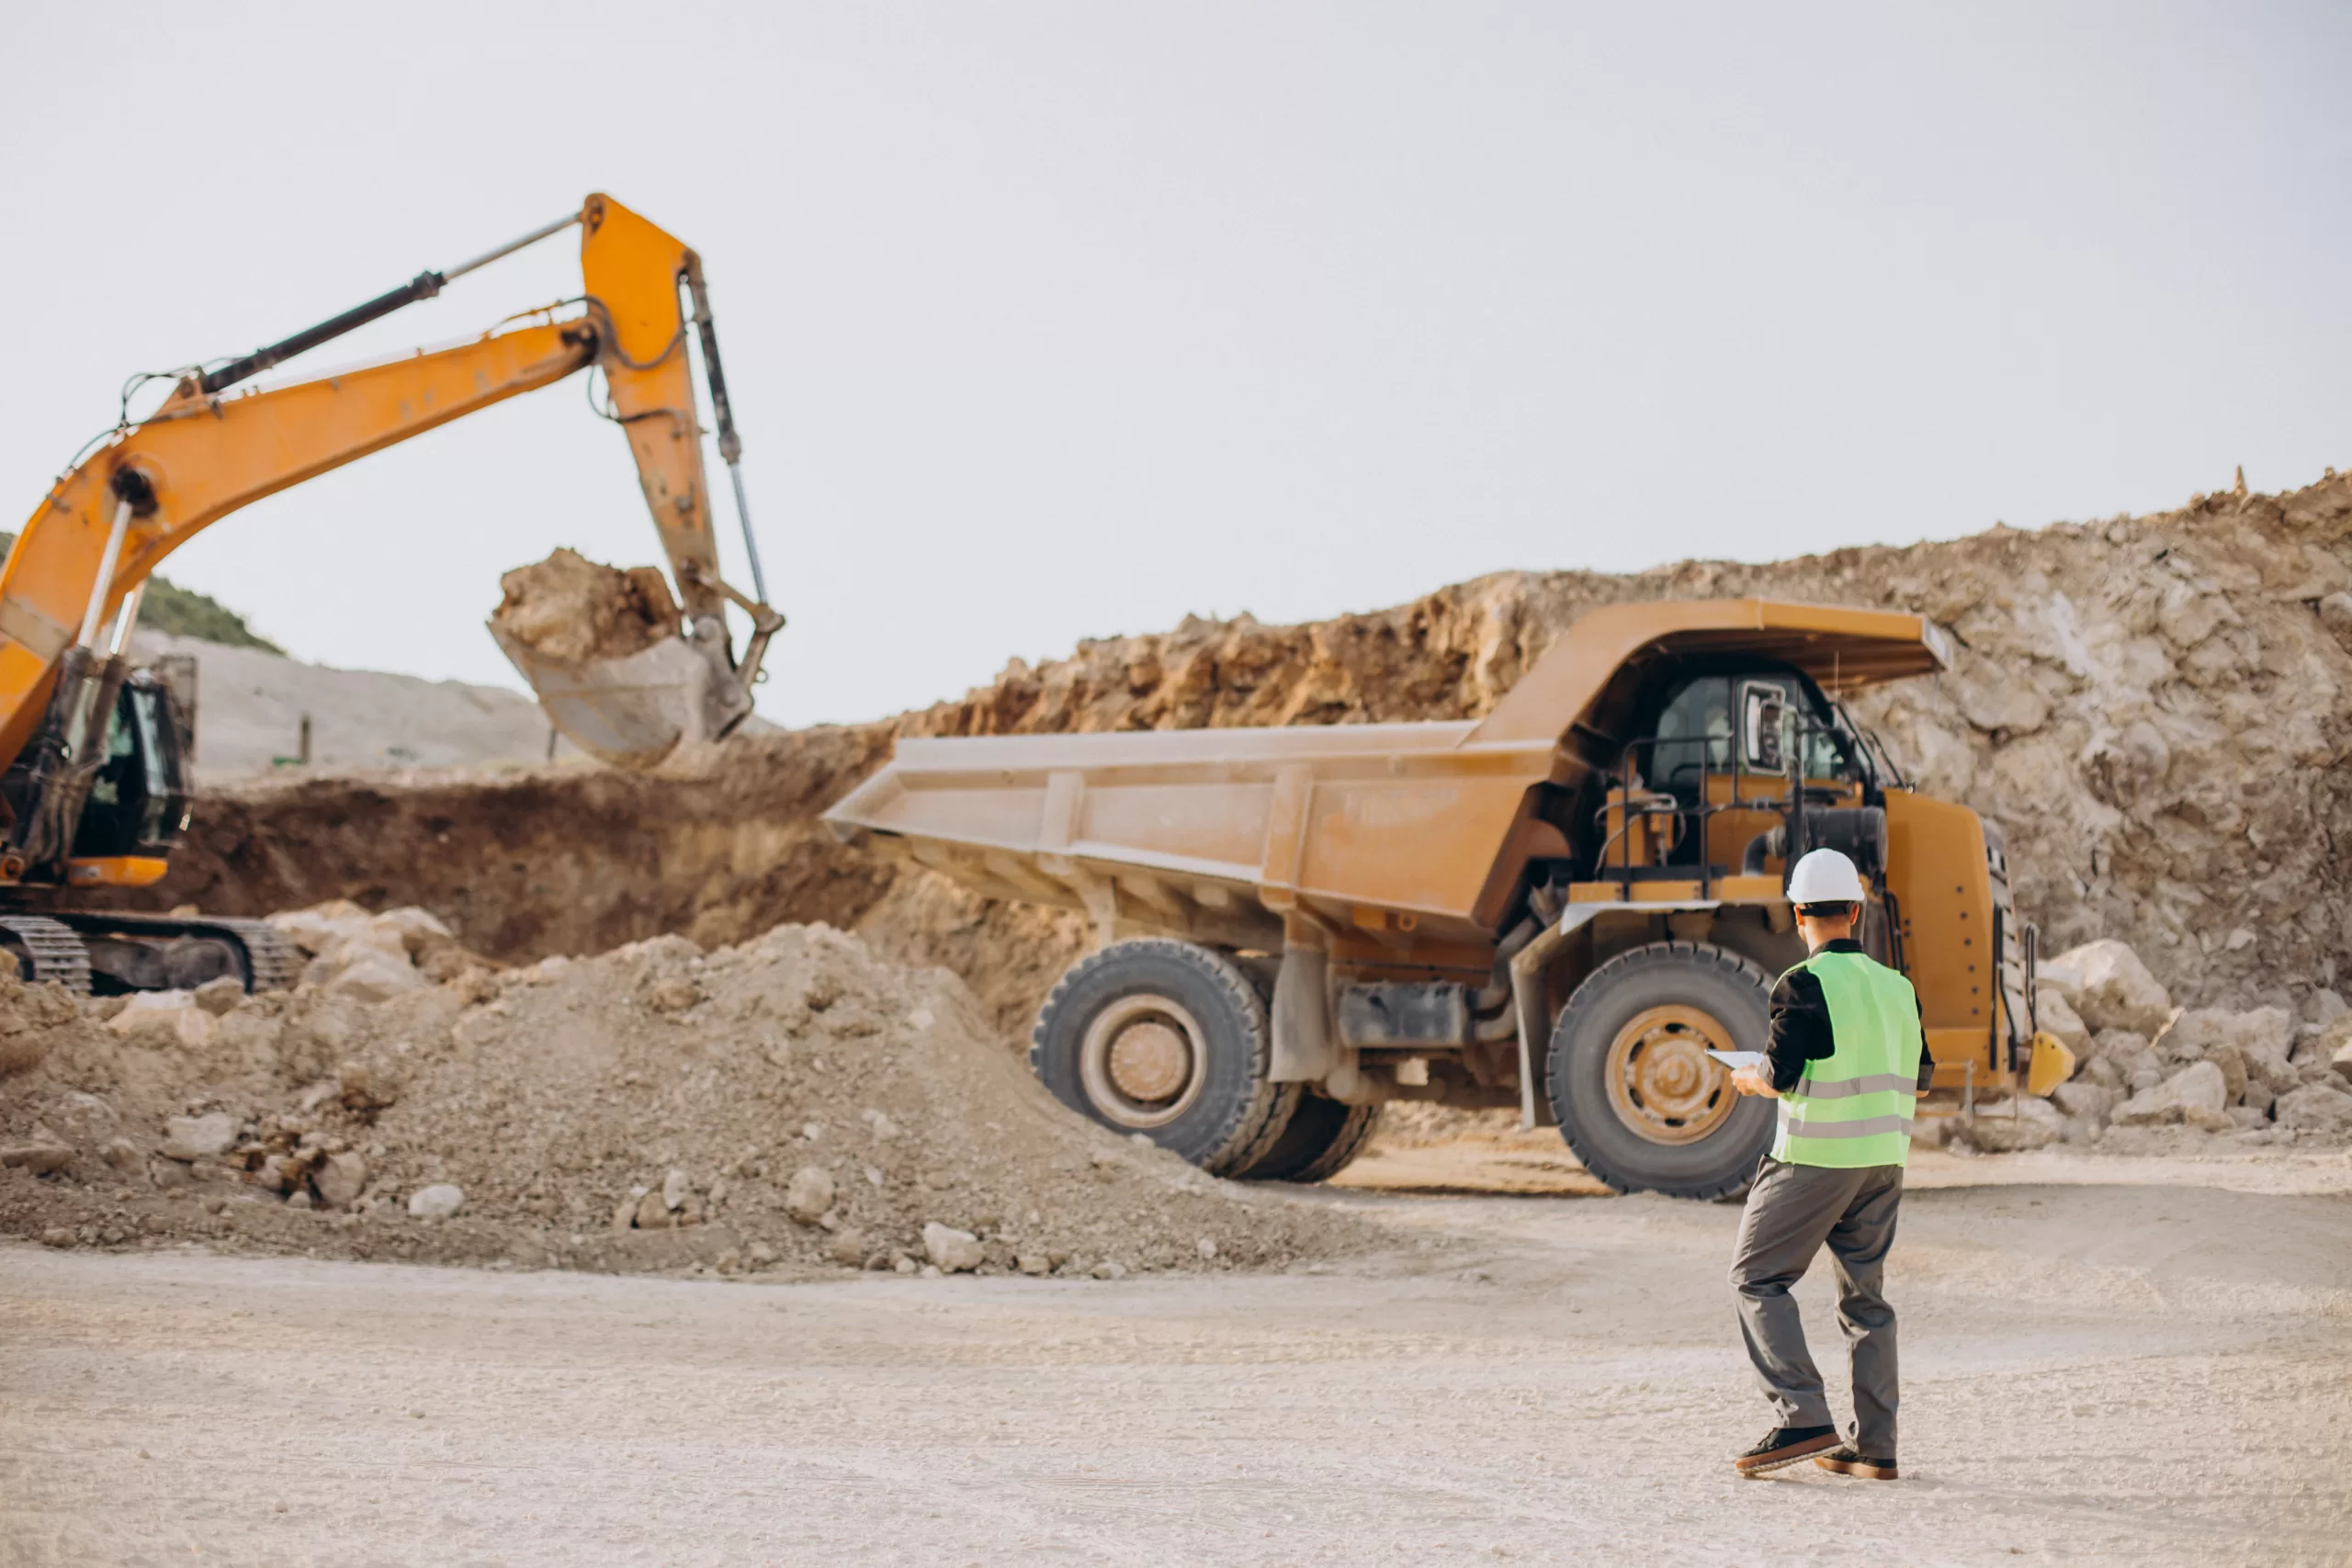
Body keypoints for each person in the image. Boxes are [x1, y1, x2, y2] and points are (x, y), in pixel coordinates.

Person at [1724, 847, 1933, 1481]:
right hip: (1883, 1163)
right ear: (1855, 911)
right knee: (1866, 1300)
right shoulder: (1899, 987)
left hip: (1815, 1158)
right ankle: (1876, 1445)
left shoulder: (1801, 984)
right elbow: (1921, 1082)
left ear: (1797, 914)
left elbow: (1781, 1077)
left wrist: (1746, 1077)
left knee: (1756, 1277)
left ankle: (1801, 1414)